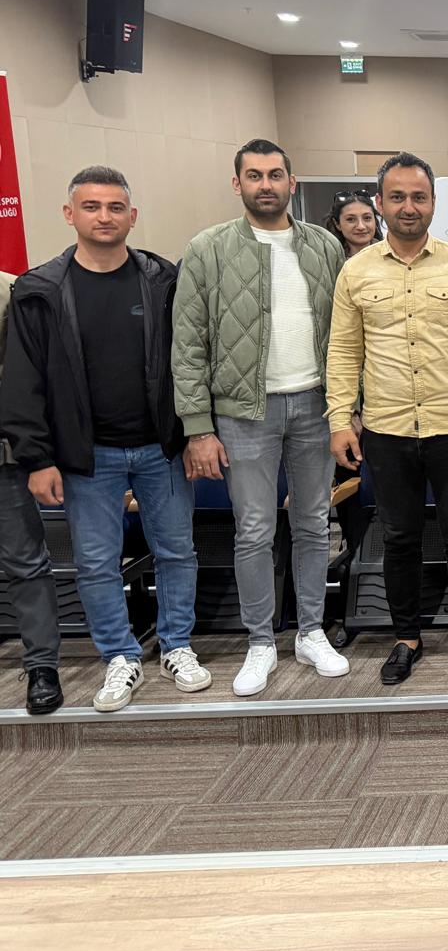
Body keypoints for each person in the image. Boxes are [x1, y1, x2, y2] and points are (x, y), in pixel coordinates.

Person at [0, 166, 211, 712]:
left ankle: (177, 644)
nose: (104, 217)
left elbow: (192, 361)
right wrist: (37, 457)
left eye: (115, 207)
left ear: (132, 216)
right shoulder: (39, 290)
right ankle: (119, 655)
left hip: (162, 447)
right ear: (69, 214)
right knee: (96, 563)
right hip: (87, 456)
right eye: (91, 206)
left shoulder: (163, 281)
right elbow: (23, 382)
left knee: (177, 551)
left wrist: (196, 432)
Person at [171, 138, 351, 696]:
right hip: (244, 412)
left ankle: (311, 631)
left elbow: (347, 337)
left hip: (316, 404)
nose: (265, 184)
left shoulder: (325, 245)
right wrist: (197, 427)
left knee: (313, 522)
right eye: (254, 175)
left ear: (291, 183)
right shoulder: (208, 249)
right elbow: (187, 345)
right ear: (238, 184)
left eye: (275, 175)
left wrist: (348, 409)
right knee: (253, 529)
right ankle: (260, 641)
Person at [325, 152, 448, 685]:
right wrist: (339, 419)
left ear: (432, 203)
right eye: (397, 197)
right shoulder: (356, 271)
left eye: (418, 197)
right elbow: (343, 351)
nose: (408, 206)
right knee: (399, 538)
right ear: (380, 203)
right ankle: (407, 638)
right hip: (387, 428)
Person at [0, 270, 63, 714]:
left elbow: (24, 378)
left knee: (26, 563)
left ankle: (42, 666)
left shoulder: (11, 290)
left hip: (4, 455)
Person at [323, 190, 383, 258]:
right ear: (337, 224)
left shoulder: (390, 254)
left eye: (367, 218)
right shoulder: (327, 260)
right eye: (350, 219)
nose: (361, 227)